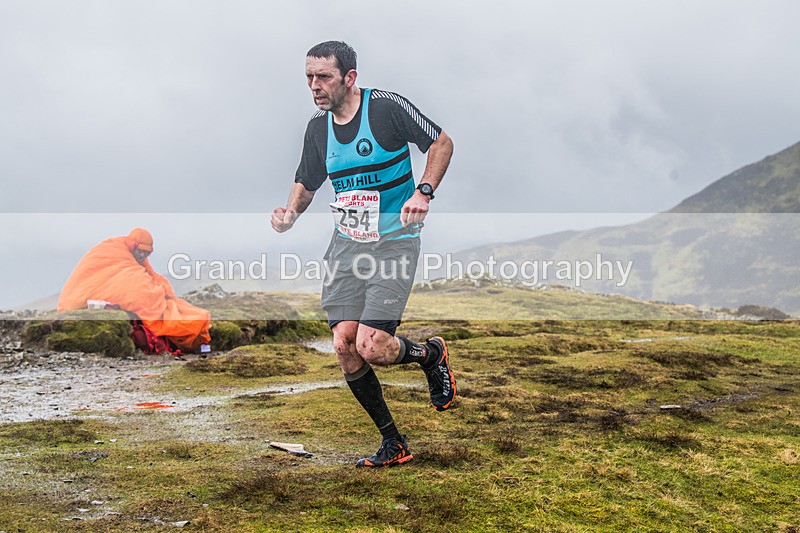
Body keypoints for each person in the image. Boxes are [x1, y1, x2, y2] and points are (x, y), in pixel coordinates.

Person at [271, 41, 456, 467]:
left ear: (349, 78)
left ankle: (430, 355)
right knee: (344, 345)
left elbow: (441, 143)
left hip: (394, 243)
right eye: (309, 78)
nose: (315, 87)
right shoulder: (318, 129)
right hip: (346, 245)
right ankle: (394, 442)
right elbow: (307, 180)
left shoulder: (385, 108)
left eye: (324, 78)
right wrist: (290, 214)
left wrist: (423, 191)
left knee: (372, 347)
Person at [58, 228, 212, 352]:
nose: (143, 255)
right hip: (75, 302)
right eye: (141, 251)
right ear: (133, 245)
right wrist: (156, 292)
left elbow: (148, 276)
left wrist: (161, 289)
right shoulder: (113, 250)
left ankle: (199, 339)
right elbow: (131, 284)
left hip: (90, 300)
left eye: (147, 253)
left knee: (182, 308)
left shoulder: (135, 257)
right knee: (151, 297)